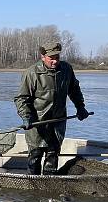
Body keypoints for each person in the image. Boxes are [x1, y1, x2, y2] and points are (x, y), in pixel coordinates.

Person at [14, 41, 88, 175]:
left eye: (57, 58)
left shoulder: (66, 69)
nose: (55, 61)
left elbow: (74, 90)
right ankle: (32, 190)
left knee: (52, 157)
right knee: (35, 158)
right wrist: (26, 116)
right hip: (37, 124)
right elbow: (21, 98)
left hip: (57, 123)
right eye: (51, 58)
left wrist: (80, 107)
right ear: (43, 57)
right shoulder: (32, 73)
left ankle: (48, 188)